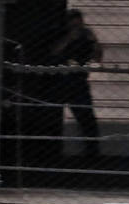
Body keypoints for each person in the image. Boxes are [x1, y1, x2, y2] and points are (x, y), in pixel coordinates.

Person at [49, 9, 102, 157]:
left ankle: (92, 151)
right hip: (59, 80)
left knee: (86, 117)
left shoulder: (86, 35)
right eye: (73, 22)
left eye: (79, 22)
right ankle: (50, 150)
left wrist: (95, 41)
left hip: (78, 81)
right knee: (53, 115)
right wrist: (69, 39)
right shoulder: (60, 34)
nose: (76, 25)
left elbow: (97, 58)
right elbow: (53, 52)